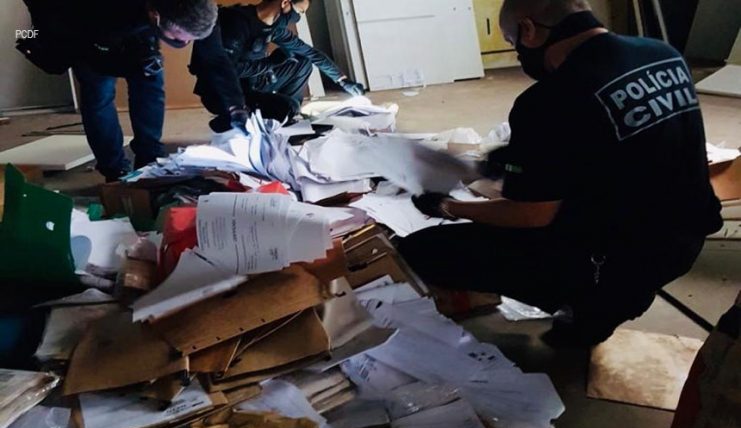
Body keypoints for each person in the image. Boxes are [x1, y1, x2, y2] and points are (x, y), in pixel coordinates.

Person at [400, 0, 723, 346]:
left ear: (528, 30)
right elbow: (612, 138)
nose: (517, 53)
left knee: (422, 249)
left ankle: (594, 305)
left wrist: (449, 207)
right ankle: (612, 299)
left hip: (615, 261)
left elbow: (530, 215)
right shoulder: (662, 54)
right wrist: (511, 160)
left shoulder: (547, 100)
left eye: (511, 42)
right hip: (686, 236)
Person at [17, 0, 219, 182]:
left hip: (134, 25)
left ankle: (150, 159)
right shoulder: (102, 17)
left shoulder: (165, 11)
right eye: (178, 38)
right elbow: (86, 39)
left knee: (150, 84)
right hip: (85, 33)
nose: (183, 43)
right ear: (156, 16)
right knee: (99, 95)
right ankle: (114, 170)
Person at [190, 0, 365, 134]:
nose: (298, 17)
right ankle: (227, 121)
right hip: (224, 94)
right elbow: (224, 71)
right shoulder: (236, 23)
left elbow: (310, 53)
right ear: (285, 3)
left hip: (253, 84)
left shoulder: (273, 28)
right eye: (299, 11)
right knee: (286, 107)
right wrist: (269, 64)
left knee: (302, 63)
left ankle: (288, 118)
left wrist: (343, 80)